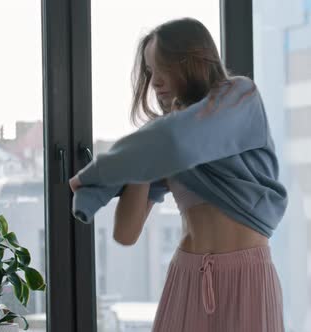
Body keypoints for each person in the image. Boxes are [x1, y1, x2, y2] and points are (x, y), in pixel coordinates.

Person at [69, 17, 287, 332]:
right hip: (185, 278)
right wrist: (143, 163)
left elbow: (181, 138)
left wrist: (119, 162)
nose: (155, 81)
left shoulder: (240, 97)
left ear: (193, 61)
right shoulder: (157, 140)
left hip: (246, 278)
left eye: (163, 68)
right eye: (150, 71)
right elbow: (126, 233)